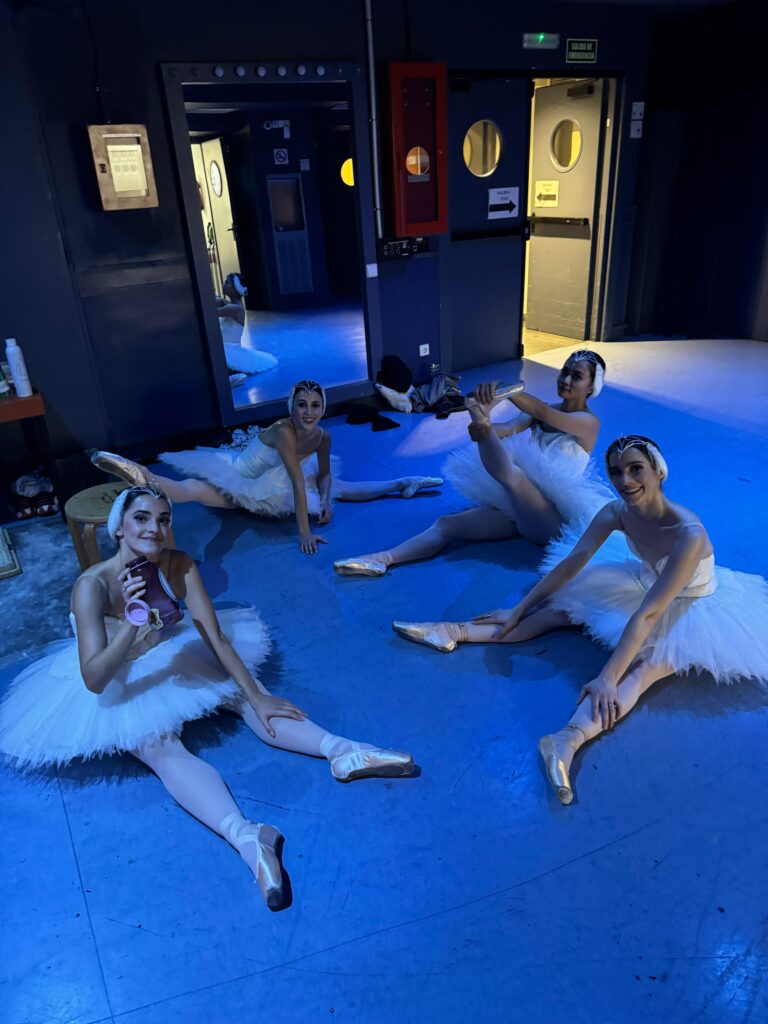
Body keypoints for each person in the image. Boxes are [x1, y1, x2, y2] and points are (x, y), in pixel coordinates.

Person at [0, 486, 414, 907]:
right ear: (120, 530)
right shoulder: (92, 585)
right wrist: (131, 619)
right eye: (141, 518)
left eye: (163, 519)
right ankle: (248, 836)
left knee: (243, 692)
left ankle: (342, 750)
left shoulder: (179, 565)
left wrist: (254, 694)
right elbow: (94, 678)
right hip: (115, 672)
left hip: (169, 648)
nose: (154, 528)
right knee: (158, 747)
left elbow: (214, 636)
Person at [393, 435, 768, 804]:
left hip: (690, 603)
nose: (625, 481)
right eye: (617, 472)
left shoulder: (689, 535)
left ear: (658, 471)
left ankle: (566, 740)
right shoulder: (616, 512)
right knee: (558, 610)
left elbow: (651, 612)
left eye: (636, 469)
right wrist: (519, 607)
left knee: (644, 669)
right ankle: (452, 631)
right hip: (642, 579)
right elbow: (574, 561)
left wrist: (607, 677)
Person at [334, 351, 610, 577]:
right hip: (523, 506)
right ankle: (383, 558)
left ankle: (479, 417)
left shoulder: (588, 424)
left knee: (513, 476)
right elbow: (509, 428)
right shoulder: (546, 411)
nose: (566, 379)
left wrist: (507, 390)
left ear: (590, 388)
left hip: (552, 519)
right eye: (565, 371)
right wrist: (485, 426)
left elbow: (541, 411)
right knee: (447, 524)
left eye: (577, 376)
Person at [91, 380, 442, 556]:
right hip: (245, 479)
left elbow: (324, 476)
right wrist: (305, 533)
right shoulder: (285, 433)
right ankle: (141, 474)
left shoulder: (322, 437)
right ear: (292, 406)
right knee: (195, 491)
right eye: (302, 405)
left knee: (341, 488)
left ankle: (402, 482)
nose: (308, 412)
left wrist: (328, 501)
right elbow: (292, 480)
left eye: (315, 405)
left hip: (278, 481)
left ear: (323, 408)